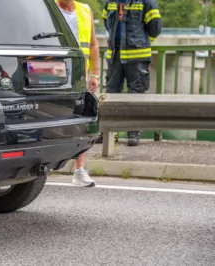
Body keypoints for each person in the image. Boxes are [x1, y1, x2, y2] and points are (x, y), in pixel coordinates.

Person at [102, 0, 162, 146]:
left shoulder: (145, 2)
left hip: (137, 57)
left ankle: (133, 132)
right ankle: (110, 132)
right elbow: (107, 23)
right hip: (115, 56)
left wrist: (142, 42)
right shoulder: (110, 2)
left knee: (135, 94)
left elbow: (155, 28)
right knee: (111, 93)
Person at [56, 0, 100, 187]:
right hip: (52, 72)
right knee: (51, 118)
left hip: (79, 74)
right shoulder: (48, 6)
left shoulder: (84, 10)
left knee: (80, 119)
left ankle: (79, 170)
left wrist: (95, 74)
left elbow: (92, 44)